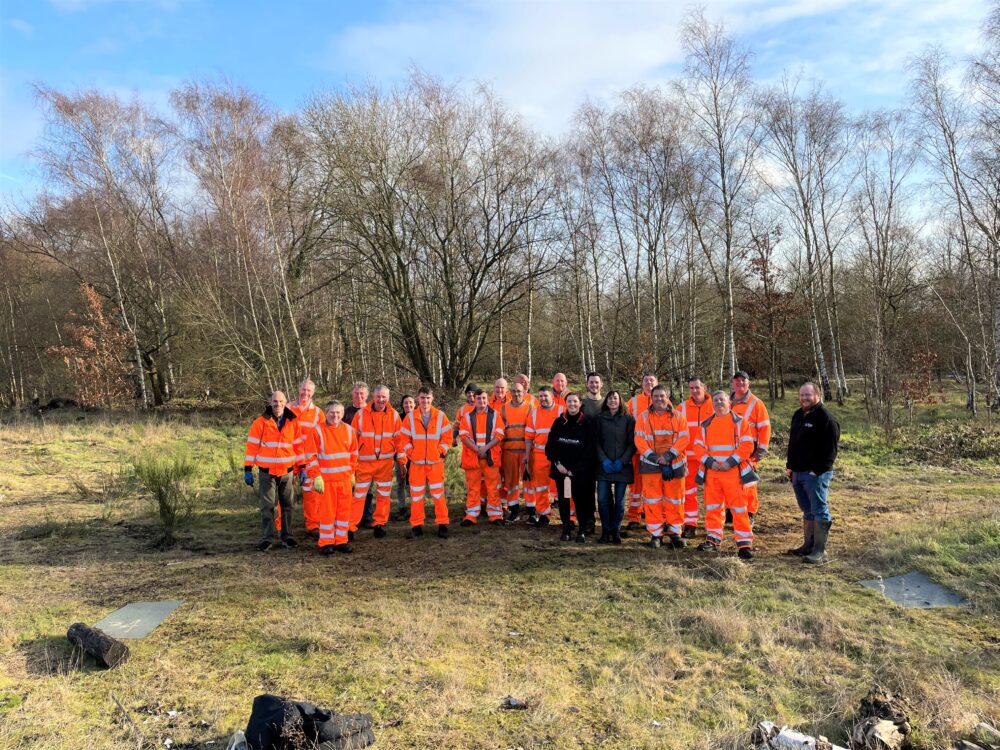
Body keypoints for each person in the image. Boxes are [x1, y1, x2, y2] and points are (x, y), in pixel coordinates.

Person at [692, 390, 756, 560]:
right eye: (716, 400)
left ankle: (744, 544)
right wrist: (710, 462)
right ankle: (712, 540)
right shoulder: (706, 425)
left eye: (722, 400)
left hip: (733, 473)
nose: (719, 403)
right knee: (713, 508)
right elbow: (698, 447)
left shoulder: (740, 422)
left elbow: (747, 445)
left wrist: (730, 462)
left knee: (739, 509)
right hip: (712, 474)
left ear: (729, 401)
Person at [785, 382, 840, 564]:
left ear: (817, 395)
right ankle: (807, 546)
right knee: (807, 510)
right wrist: (790, 466)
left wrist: (817, 471)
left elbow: (830, 452)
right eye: (801, 395)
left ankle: (819, 551)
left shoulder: (826, 419)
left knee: (819, 510)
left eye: (808, 395)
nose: (804, 398)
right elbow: (793, 443)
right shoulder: (798, 415)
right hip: (797, 473)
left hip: (815, 475)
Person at [244, 390, 306, 551]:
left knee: (288, 506)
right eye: (275, 401)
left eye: (280, 401)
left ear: (286, 403)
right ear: (270, 402)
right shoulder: (260, 423)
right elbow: (252, 447)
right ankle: (267, 538)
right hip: (267, 471)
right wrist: (248, 469)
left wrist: (303, 467)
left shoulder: (293, 422)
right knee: (267, 506)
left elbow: (299, 447)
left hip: (287, 471)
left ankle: (287, 536)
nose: (278, 404)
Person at [634, 385, 690, 549]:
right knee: (652, 501)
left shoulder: (679, 416)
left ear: (668, 397)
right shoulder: (643, 417)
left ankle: (675, 533)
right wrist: (654, 457)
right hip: (651, 465)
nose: (659, 399)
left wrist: (668, 456)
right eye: (656, 396)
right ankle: (656, 534)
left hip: (675, 465)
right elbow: (639, 440)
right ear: (651, 398)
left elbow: (684, 438)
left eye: (662, 396)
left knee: (676, 500)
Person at [302, 401, 358, 555]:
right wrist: (316, 476)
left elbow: (354, 454)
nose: (336, 416)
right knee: (327, 513)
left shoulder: (349, 430)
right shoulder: (317, 431)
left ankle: (341, 541)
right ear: (325, 413)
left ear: (343, 414)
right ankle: (326, 542)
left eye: (339, 413)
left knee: (343, 513)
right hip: (326, 481)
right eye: (332, 413)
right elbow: (311, 456)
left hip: (345, 480)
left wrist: (352, 472)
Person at [350, 385, 406, 539]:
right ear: (373, 397)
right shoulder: (361, 415)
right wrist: (352, 463)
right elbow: (352, 441)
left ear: (388, 397)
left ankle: (380, 523)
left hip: (385, 463)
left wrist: (401, 460)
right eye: (378, 397)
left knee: (383, 495)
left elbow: (399, 441)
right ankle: (350, 526)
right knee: (359, 496)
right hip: (364, 463)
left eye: (384, 397)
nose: (381, 400)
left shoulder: (394, 416)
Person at [400, 386, 452, 539]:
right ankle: (416, 526)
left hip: (435, 464)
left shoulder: (441, 416)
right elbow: (404, 439)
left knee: (439, 496)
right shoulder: (410, 418)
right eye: (422, 398)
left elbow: (447, 438)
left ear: (432, 398)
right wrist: (412, 454)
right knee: (416, 497)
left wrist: (440, 452)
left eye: (428, 398)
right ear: (418, 398)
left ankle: (442, 524)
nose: (425, 401)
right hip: (416, 464)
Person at [546, 393, 594, 542]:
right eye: (569, 401)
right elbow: (550, 447)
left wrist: (576, 468)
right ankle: (566, 527)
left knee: (581, 500)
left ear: (580, 403)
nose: (572, 404)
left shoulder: (587, 423)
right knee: (564, 499)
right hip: (561, 471)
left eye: (575, 401)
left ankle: (582, 530)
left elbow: (590, 449)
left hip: (579, 472)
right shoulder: (559, 422)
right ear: (565, 403)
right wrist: (558, 464)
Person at [459, 389, 506, 525]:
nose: (482, 401)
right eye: (479, 398)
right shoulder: (467, 416)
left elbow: (499, 434)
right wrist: (477, 449)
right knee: (473, 487)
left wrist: (485, 448)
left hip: (490, 457)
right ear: (475, 399)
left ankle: (496, 515)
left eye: (484, 398)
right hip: (473, 458)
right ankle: (471, 516)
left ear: (487, 399)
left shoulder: (495, 415)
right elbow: (463, 436)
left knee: (493, 487)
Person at [729, 370, 771, 524]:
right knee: (730, 481)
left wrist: (761, 449)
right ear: (732, 383)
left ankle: (750, 512)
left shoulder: (756, 403)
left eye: (743, 381)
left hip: (749, 450)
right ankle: (732, 509)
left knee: (748, 481)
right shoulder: (727, 402)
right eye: (737, 381)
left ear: (748, 383)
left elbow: (765, 427)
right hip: (728, 449)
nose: (740, 383)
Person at [594, 390, 634, 544]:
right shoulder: (600, 419)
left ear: (620, 400)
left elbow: (632, 444)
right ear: (606, 401)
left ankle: (615, 530)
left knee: (619, 501)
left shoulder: (628, 419)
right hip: (604, 466)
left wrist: (622, 461)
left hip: (622, 467)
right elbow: (595, 442)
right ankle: (605, 530)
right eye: (610, 398)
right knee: (603, 499)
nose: (612, 401)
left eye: (615, 398)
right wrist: (603, 460)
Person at [677, 376, 712, 538]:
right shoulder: (681, 408)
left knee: (713, 495)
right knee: (689, 494)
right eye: (691, 388)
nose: (694, 391)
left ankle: (713, 528)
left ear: (704, 388)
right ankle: (690, 525)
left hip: (711, 460)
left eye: (697, 387)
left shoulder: (716, 405)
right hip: (689, 460)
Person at [289, 378, 324, 537]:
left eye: (309, 391)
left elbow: (325, 435)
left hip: (309, 460)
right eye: (303, 389)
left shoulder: (318, 413)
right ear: (298, 389)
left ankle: (313, 525)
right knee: (286, 494)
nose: (305, 393)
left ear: (313, 393)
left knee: (311, 495)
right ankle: (283, 527)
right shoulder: (287, 407)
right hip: (288, 458)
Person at [524, 386, 563, 526]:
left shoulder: (561, 411)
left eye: (545, 396)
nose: (543, 399)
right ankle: (544, 513)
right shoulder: (534, 413)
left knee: (563, 485)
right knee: (540, 486)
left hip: (559, 455)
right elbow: (528, 437)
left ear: (552, 396)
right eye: (540, 396)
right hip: (540, 455)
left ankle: (569, 516)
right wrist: (527, 455)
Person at [624, 373, 658, 529]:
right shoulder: (633, 402)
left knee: (654, 486)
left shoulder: (665, 400)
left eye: (652, 380)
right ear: (641, 384)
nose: (649, 383)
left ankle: (653, 516)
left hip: (657, 454)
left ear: (657, 383)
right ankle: (634, 517)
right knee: (636, 487)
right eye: (646, 381)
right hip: (638, 452)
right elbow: (626, 425)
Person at [343, 382, 376, 527]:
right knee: (350, 489)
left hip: (367, 458)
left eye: (362, 393)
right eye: (356, 393)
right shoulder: (345, 412)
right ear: (352, 394)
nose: (359, 396)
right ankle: (350, 518)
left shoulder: (372, 411)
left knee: (367, 490)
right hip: (348, 458)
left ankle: (366, 517)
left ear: (367, 395)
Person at [499, 382, 532, 522]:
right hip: (509, 452)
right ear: (509, 393)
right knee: (511, 483)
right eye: (513, 391)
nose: (516, 394)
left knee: (529, 482)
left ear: (524, 391)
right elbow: (499, 431)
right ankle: (514, 510)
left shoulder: (530, 407)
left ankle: (532, 511)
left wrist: (529, 452)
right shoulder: (504, 409)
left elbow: (532, 430)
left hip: (525, 451)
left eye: (519, 391)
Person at [394, 395, 416, 520]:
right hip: (400, 455)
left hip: (415, 456)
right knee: (401, 482)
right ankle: (402, 508)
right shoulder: (398, 418)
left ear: (415, 404)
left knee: (413, 483)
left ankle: (415, 508)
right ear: (402, 405)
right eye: (406, 403)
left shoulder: (419, 417)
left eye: (410, 403)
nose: (408, 405)